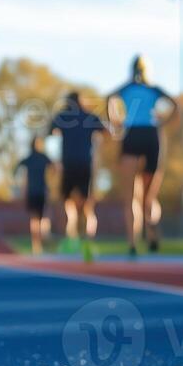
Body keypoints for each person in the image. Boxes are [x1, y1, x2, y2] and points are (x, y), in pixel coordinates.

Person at [108, 55, 178, 257]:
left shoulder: (126, 88)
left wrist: (116, 121)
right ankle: (150, 230)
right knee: (148, 198)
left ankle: (132, 242)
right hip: (150, 135)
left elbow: (109, 98)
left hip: (132, 135)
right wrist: (164, 122)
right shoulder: (153, 89)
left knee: (131, 196)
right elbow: (175, 104)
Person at [48, 92, 108, 264]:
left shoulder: (62, 116)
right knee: (87, 207)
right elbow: (107, 132)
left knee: (66, 203)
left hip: (69, 164)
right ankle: (87, 242)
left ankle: (70, 239)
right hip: (85, 165)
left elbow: (49, 132)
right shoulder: (90, 117)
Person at [15, 136, 55, 255]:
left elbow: (16, 168)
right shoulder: (39, 157)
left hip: (38, 191)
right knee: (37, 219)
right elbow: (55, 168)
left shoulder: (36, 158)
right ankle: (38, 244)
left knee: (39, 218)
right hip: (36, 191)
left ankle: (39, 242)